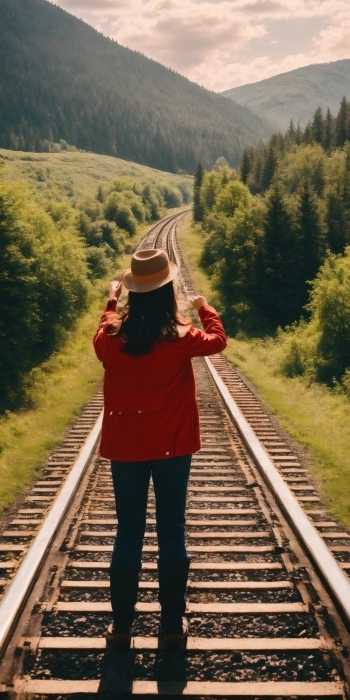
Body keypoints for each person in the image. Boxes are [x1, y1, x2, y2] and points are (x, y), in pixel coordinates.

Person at [93, 247, 227, 650]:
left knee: (127, 534)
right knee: (172, 530)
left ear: (134, 293)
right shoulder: (182, 338)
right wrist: (205, 308)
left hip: (126, 449)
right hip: (172, 446)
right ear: (169, 291)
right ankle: (171, 625)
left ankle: (121, 628)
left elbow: (103, 327)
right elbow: (219, 341)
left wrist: (112, 298)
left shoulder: (109, 339)